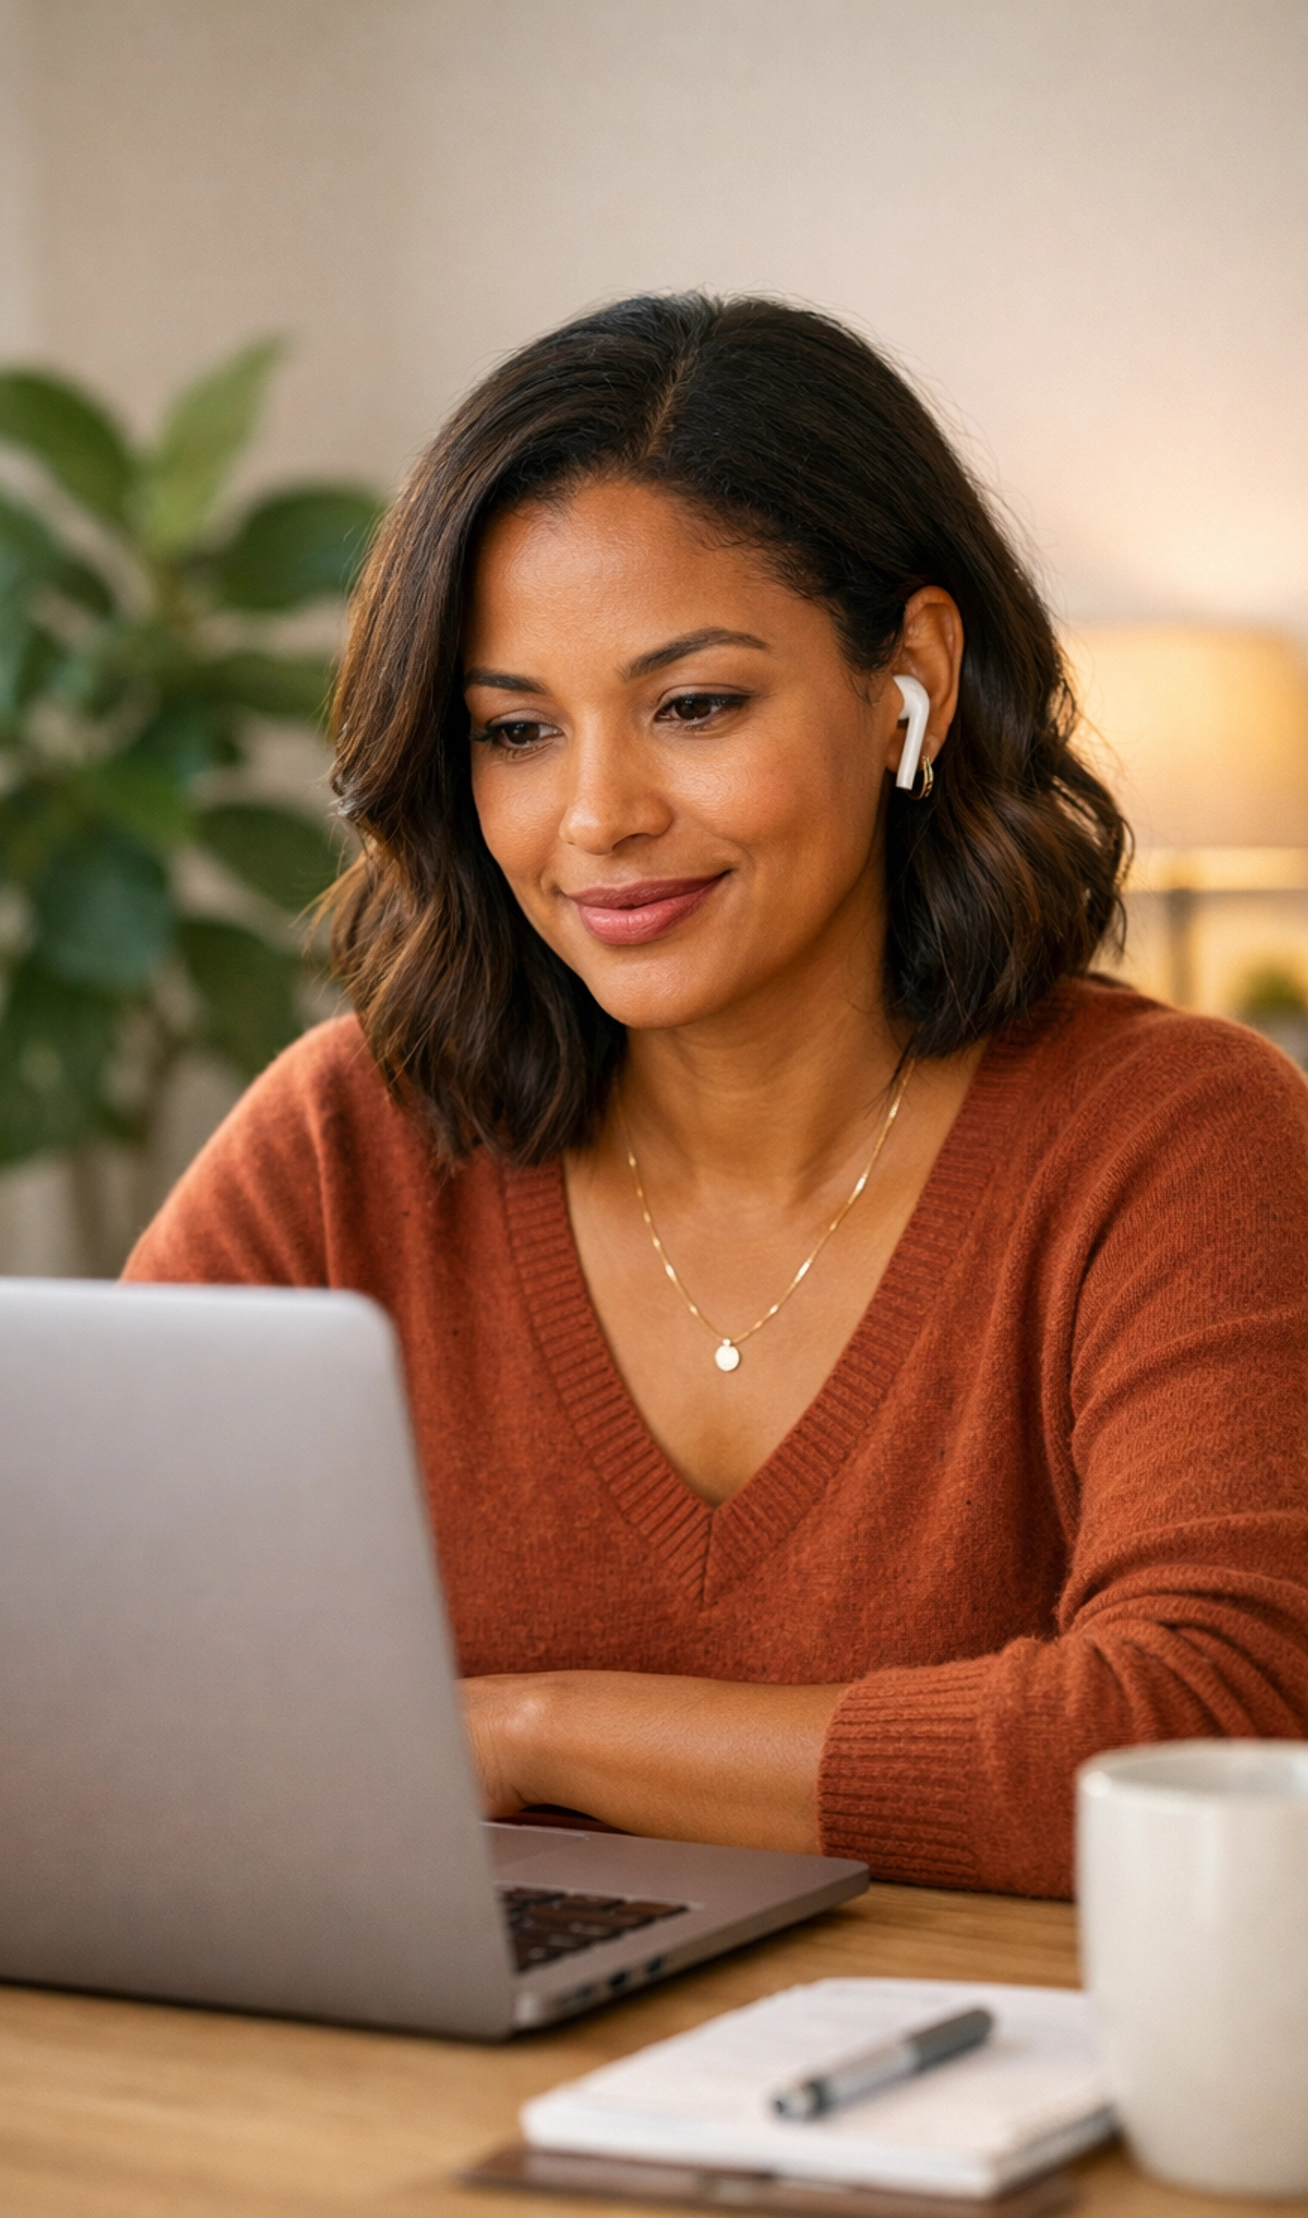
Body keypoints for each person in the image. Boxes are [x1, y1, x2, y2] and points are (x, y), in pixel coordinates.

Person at [126, 294, 1308, 1898]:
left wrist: (536, 1734)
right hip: (406, 2077)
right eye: (517, 732)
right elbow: (87, 1665)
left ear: (915, 681)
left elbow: (1201, 1734)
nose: (597, 815)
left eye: (695, 706)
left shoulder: (1181, 1140)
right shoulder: (348, 1140)